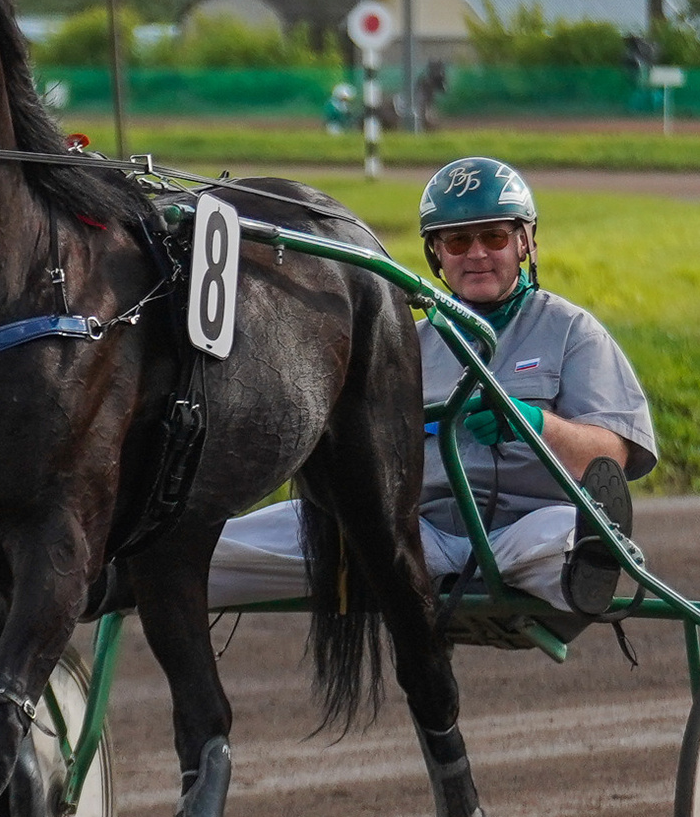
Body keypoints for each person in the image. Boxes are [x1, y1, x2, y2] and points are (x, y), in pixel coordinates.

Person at [208, 156, 657, 616]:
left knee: (564, 533)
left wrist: (536, 424)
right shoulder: (403, 343)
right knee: (215, 547)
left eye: (494, 237)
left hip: (522, 532)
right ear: (435, 254)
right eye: (458, 241)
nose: (476, 254)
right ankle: (152, 575)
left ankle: (583, 564)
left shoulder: (572, 332)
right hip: (414, 536)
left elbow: (612, 457)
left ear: (524, 243)